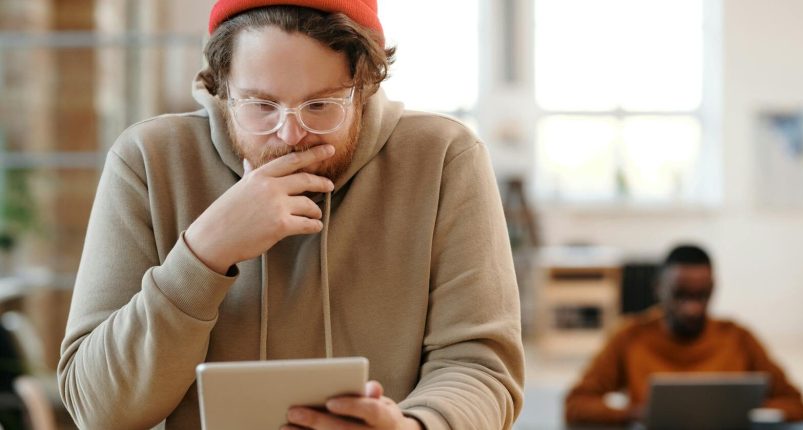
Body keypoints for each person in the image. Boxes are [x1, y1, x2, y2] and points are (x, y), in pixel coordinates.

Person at [57, 1, 525, 429]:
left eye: (321, 105)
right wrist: (204, 254)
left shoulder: (443, 156)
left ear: (363, 87)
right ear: (222, 88)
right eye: (261, 105)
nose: (291, 133)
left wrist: (415, 427)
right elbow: (99, 410)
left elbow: (481, 367)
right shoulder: (149, 160)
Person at [564, 244, 803, 425]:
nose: (692, 308)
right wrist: (634, 414)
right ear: (659, 289)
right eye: (680, 295)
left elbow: (796, 406)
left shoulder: (738, 338)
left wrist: (746, 411)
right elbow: (576, 405)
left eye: (701, 296)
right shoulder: (631, 336)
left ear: (713, 289)